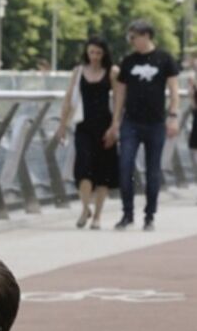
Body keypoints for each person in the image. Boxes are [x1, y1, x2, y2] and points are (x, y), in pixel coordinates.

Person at [105, 19, 181, 231]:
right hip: (131, 122)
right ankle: (127, 213)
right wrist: (115, 122)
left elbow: (174, 90)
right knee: (125, 165)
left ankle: (150, 215)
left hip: (156, 122)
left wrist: (173, 115)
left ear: (146, 35)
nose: (132, 41)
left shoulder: (164, 59)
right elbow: (119, 93)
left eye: (134, 37)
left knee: (152, 170)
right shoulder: (128, 61)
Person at [54, 35, 119, 230]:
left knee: (103, 172)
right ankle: (85, 208)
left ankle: (98, 215)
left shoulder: (112, 72)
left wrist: (115, 126)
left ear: (104, 54)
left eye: (98, 53)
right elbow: (68, 99)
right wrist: (62, 125)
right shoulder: (79, 71)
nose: (95, 56)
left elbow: (118, 101)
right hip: (83, 125)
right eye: (91, 52)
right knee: (83, 168)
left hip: (104, 126)